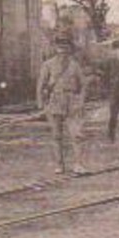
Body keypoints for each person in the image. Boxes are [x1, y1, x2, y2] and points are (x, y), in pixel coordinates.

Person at [37, 34, 88, 176]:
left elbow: (83, 85)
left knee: (77, 134)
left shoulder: (75, 65)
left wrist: (81, 101)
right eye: (60, 48)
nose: (62, 52)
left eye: (65, 49)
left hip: (72, 101)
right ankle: (59, 165)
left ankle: (78, 164)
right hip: (55, 101)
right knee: (56, 135)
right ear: (55, 49)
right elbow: (41, 85)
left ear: (69, 50)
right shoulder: (48, 65)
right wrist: (41, 103)